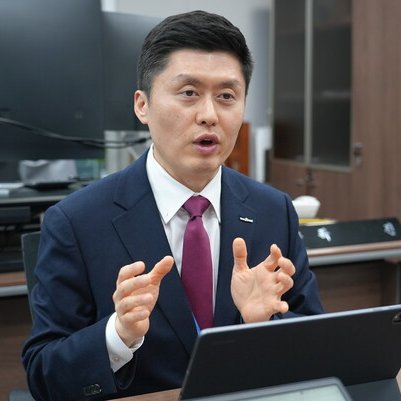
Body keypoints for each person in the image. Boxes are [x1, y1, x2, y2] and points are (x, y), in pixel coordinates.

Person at [22, 10, 324, 401]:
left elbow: (317, 345)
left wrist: (263, 324)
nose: (209, 115)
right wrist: (117, 335)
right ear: (142, 105)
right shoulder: (77, 221)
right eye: (188, 93)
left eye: (227, 96)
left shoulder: (273, 210)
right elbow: (44, 376)